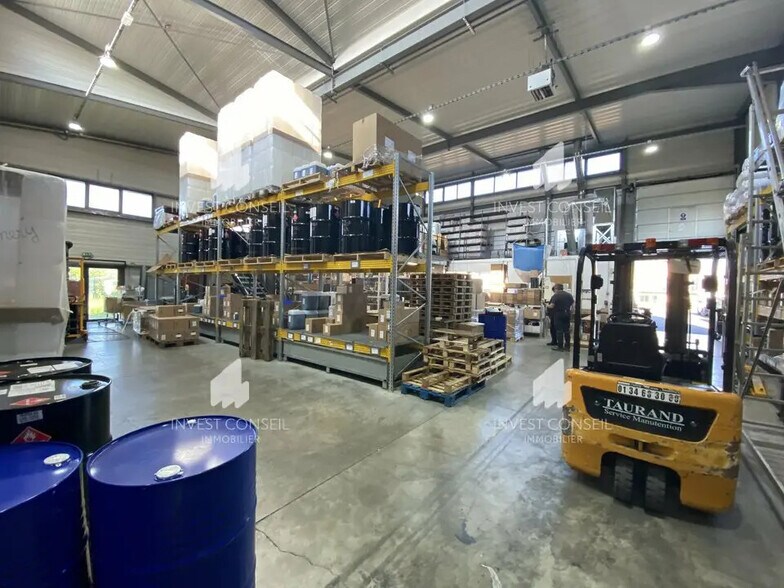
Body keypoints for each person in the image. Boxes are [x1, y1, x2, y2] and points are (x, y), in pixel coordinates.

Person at [548, 283, 574, 351]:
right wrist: (571, 313)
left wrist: (546, 305)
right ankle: (567, 347)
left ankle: (560, 347)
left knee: (559, 330)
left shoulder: (556, 295)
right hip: (567, 314)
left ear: (556, 289)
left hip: (558, 314)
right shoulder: (569, 295)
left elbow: (552, 306)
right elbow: (573, 306)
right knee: (567, 331)